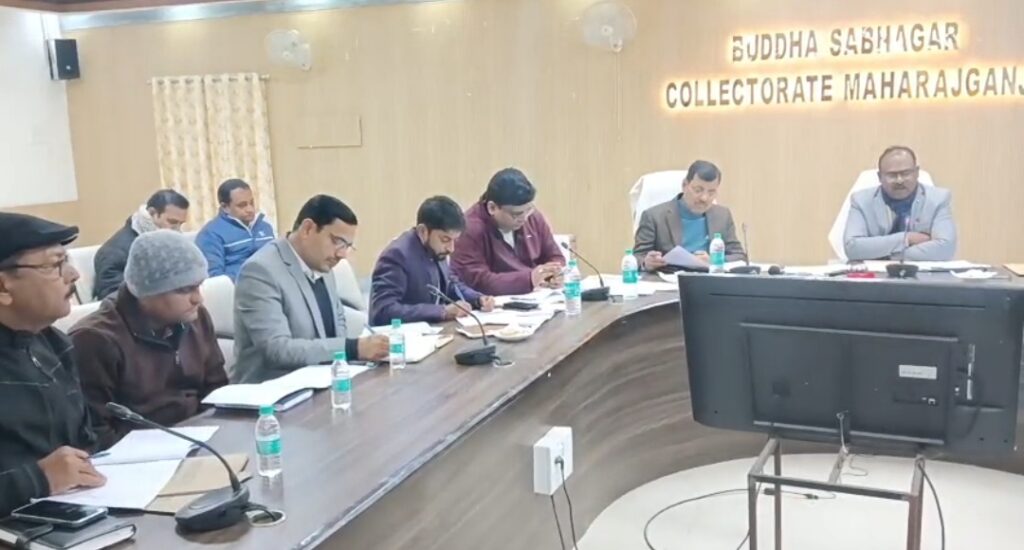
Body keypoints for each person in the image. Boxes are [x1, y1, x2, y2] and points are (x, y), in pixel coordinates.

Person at [70, 231, 228, 449]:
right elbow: (95, 433)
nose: (198, 298)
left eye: (198, 286)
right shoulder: (94, 340)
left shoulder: (195, 317)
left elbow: (217, 391)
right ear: (146, 292)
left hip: (201, 440)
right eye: (184, 290)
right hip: (139, 456)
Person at [0, 213, 106, 516]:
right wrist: (38, 479)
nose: (73, 274)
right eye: (53, 265)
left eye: (66, 260)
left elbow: (84, 442)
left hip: (74, 515)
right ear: (3, 288)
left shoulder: (55, 344)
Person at [232, 194, 389, 383]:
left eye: (347, 246)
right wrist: (353, 348)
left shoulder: (322, 264)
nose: (342, 254)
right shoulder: (260, 271)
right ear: (307, 229)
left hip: (323, 382)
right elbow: (277, 349)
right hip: (274, 390)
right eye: (337, 242)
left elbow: (337, 326)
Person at [370, 196, 496, 326]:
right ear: (423, 231)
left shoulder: (435, 249)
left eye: (455, 240)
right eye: (445, 239)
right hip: (401, 335)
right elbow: (383, 311)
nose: (451, 248)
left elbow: (449, 285)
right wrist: (442, 311)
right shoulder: (397, 256)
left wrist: (477, 299)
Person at [451, 168, 565, 295]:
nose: (524, 218)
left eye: (528, 210)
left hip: (539, 297)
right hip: (495, 302)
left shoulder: (532, 217)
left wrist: (554, 273)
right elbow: (478, 281)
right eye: (516, 214)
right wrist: (529, 279)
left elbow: (554, 256)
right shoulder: (469, 228)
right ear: (492, 208)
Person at [844, 146, 957, 261]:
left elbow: (945, 249)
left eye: (906, 173)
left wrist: (886, 255)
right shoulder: (861, 201)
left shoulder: (938, 199)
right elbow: (852, 248)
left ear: (917, 173)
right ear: (880, 177)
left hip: (922, 271)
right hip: (874, 272)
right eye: (892, 175)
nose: (899, 180)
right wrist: (906, 238)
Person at [633, 160, 746, 272]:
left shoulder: (722, 215)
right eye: (698, 190)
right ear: (684, 185)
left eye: (711, 192)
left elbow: (739, 256)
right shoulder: (654, 216)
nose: (704, 198)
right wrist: (646, 263)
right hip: (669, 278)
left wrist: (714, 260)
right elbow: (637, 258)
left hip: (709, 279)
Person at [93, 189, 190, 300]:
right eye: (172, 222)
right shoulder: (115, 252)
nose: (177, 230)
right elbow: (114, 300)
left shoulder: (164, 242)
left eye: (180, 224)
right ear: (152, 213)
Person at [195, 179, 276, 282]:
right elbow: (214, 278)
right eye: (242, 205)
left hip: (273, 284)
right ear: (225, 207)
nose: (250, 209)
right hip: (240, 288)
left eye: (251, 203)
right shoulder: (211, 234)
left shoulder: (264, 227)